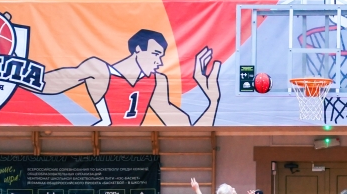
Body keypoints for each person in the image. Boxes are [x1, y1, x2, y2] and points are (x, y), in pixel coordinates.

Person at [43, 29, 220, 127]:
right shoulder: (100, 70)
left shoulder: (156, 81)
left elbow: (187, 126)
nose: (159, 62)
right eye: (155, 54)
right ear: (138, 49)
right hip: (98, 143)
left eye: (161, 56)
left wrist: (213, 101)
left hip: (132, 146)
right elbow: (49, 84)